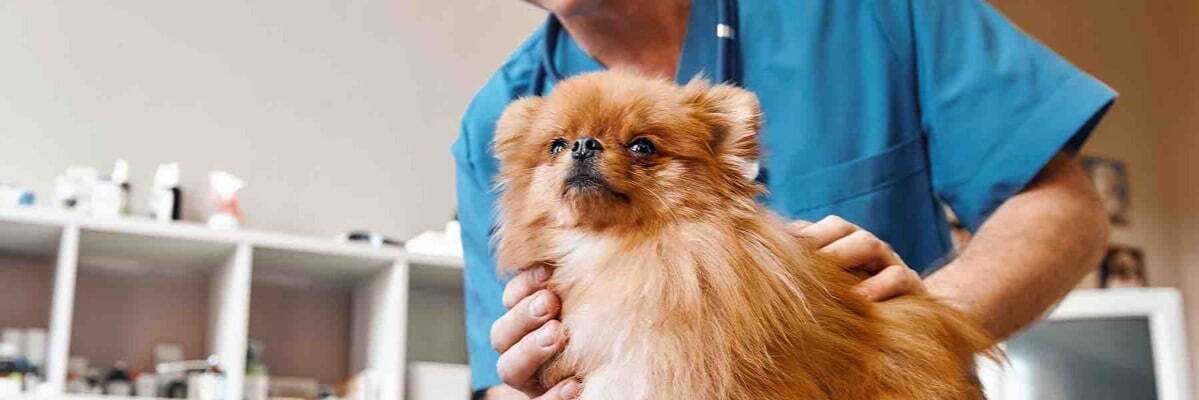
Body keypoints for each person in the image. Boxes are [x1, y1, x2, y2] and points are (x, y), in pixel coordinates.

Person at [452, 0, 1114, 398]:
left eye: (644, 147)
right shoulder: (497, 116)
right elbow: (498, 376)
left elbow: (1060, 207)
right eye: (561, 146)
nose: (587, 155)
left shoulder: (867, 13)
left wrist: (910, 333)